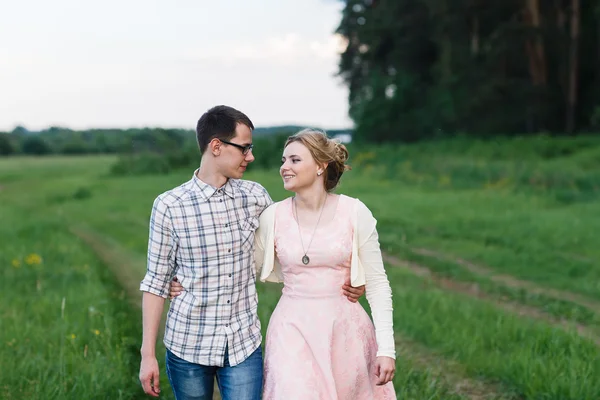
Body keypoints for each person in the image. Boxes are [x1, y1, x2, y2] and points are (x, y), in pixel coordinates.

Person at [138, 106, 364, 400]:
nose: (251, 157)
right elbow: (155, 282)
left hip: (243, 344)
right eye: (244, 148)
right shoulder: (169, 206)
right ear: (216, 146)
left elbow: (296, 248)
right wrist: (147, 355)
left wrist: (344, 277)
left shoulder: (255, 197)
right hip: (188, 345)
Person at [171, 128, 397, 399]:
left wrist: (387, 349)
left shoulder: (355, 212)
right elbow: (241, 269)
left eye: (294, 160)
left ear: (320, 166)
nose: (284, 167)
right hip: (291, 330)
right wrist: (184, 282)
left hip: (345, 332)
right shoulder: (272, 216)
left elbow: (378, 284)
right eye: (283, 160)